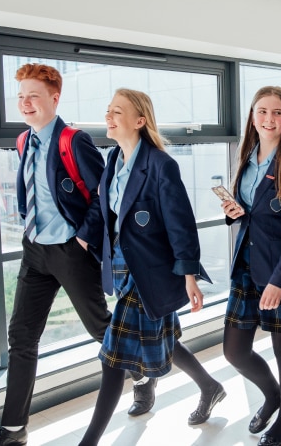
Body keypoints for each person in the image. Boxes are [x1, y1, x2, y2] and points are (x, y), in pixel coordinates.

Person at [79, 89, 225, 445]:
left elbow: (181, 224)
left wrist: (189, 275)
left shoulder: (160, 165)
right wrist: (83, 238)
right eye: (107, 110)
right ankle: (210, 386)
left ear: (139, 121)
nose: (108, 117)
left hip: (151, 272)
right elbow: (104, 209)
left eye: (117, 111)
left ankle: (89, 441)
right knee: (165, 338)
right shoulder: (113, 158)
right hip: (120, 267)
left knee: (112, 358)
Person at [0, 63, 119, 446]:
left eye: (33, 96)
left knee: (102, 329)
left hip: (69, 251)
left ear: (54, 97)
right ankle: (14, 428)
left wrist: (81, 238)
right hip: (35, 251)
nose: (25, 104)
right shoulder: (24, 141)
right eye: (21, 97)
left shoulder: (73, 140)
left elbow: (103, 194)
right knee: (21, 336)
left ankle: (143, 375)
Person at [222, 86, 281, 446]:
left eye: (277, 112)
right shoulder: (247, 157)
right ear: (252, 117)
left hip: (280, 270)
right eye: (262, 112)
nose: (269, 119)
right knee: (234, 350)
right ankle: (273, 395)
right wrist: (234, 213)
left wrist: (279, 281)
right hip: (246, 264)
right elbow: (252, 210)